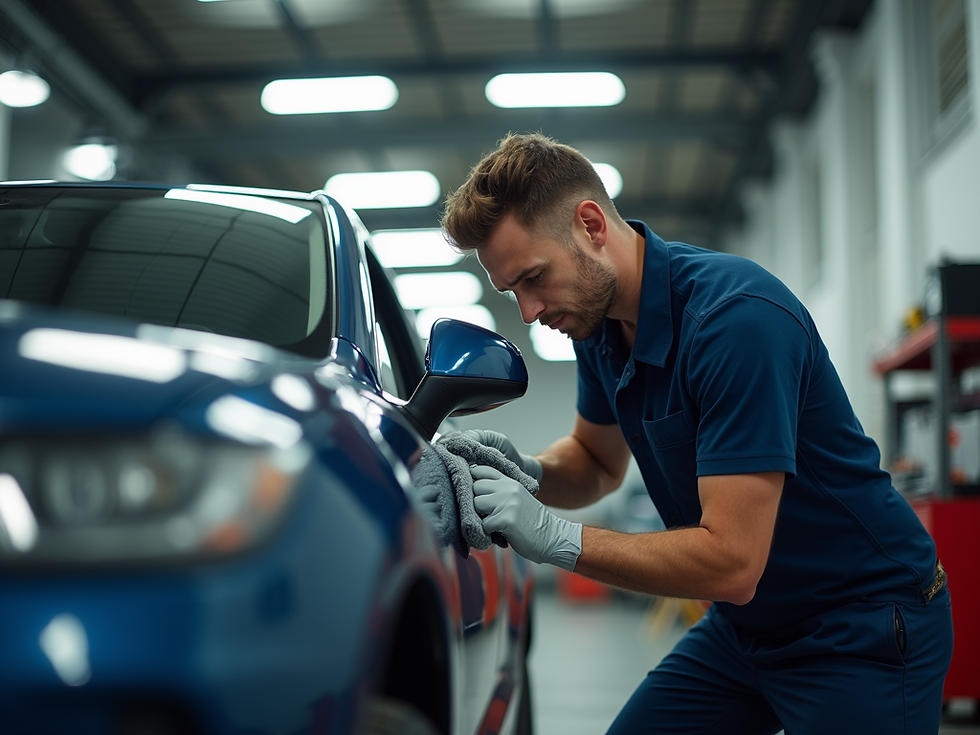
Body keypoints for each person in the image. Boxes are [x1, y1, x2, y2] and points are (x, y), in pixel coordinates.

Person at [440, 133, 953, 734]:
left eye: (533, 278)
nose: (527, 311)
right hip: (748, 627)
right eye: (512, 292)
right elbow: (595, 460)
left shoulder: (735, 321)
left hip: (860, 625)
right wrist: (529, 472)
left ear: (590, 225)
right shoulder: (598, 325)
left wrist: (553, 536)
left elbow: (732, 561)